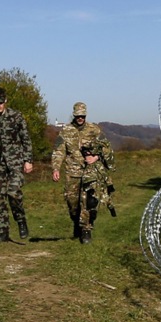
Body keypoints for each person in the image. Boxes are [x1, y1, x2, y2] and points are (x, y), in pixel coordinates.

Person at [51, 101, 115, 244]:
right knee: (72, 203)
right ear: (74, 115)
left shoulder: (94, 130)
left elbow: (107, 148)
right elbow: (58, 151)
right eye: (78, 116)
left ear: (85, 115)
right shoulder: (66, 131)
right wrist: (56, 168)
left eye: (83, 116)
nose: (80, 118)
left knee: (89, 201)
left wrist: (96, 157)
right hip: (72, 172)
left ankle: (86, 229)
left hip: (90, 172)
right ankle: (77, 223)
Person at [0, 86, 34, 242]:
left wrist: (28, 160)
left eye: (1, 102)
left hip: (15, 161)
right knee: (0, 197)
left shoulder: (16, 117)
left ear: (6, 101)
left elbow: (26, 139)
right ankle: (3, 231)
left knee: (13, 192)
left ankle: (21, 219)